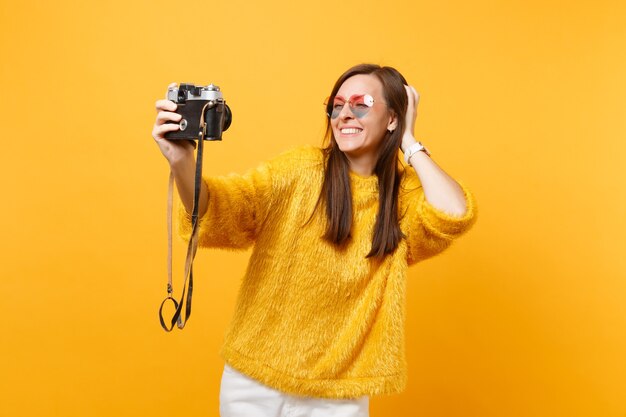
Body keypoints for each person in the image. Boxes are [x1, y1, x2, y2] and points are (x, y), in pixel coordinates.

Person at [152, 64, 477, 417]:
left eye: (362, 103)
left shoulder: (401, 197)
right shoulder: (301, 170)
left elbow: (453, 214)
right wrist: (181, 162)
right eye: (336, 105)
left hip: (337, 395)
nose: (345, 114)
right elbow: (223, 210)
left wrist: (410, 143)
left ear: (393, 119)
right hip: (253, 382)